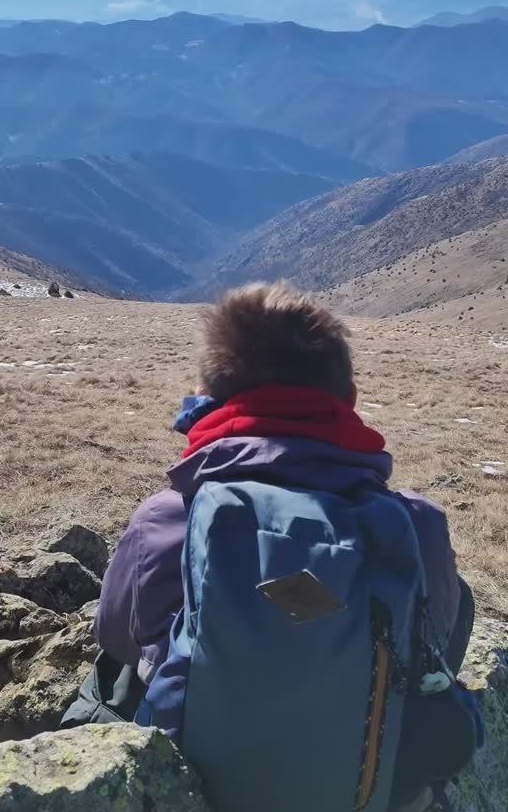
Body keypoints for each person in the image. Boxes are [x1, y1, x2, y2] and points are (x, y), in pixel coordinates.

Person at [84, 283, 478, 810]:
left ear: (206, 397)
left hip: (197, 789)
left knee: (111, 674)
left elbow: (114, 636)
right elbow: (440, 636)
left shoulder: (165, 519)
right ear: (349, 401)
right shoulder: (416, 525)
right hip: (369, 789)